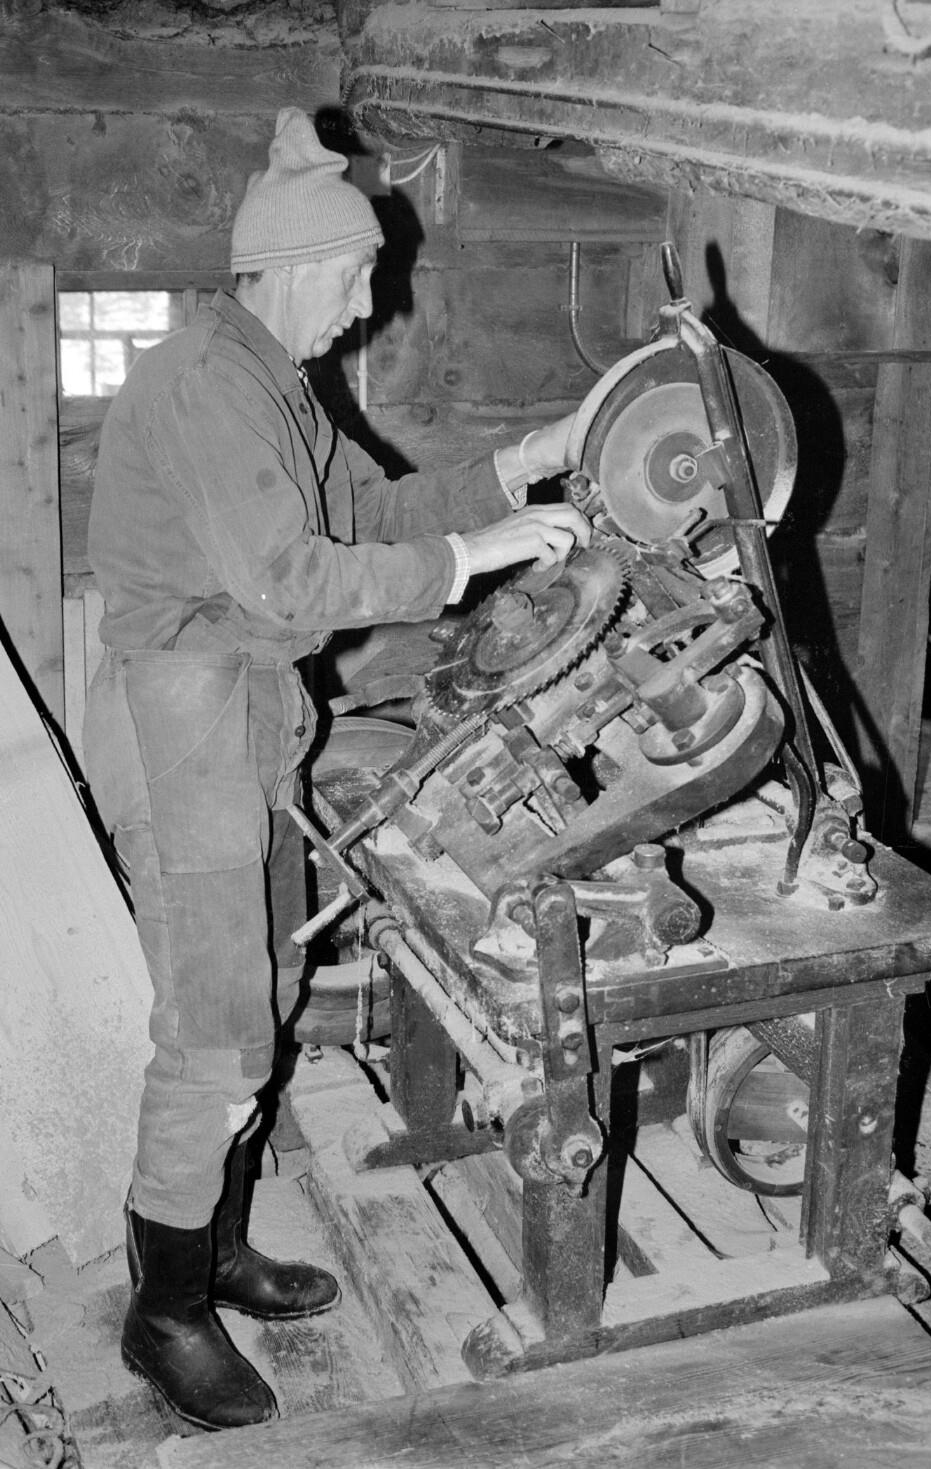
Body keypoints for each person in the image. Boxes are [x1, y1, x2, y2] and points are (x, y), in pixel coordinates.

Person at [82, 105, 590, 1431]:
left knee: (271, 989)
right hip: (181, 720)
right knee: (213, 1032)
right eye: (359, 277)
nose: (370, 306)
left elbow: (370, 511)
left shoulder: (273, 379)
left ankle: (217, 1247)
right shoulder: (206, 381)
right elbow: (289, 577)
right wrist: (467, 563)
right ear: (300, 264)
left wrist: (523, 467)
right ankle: (163, 1311)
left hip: (243, 713)